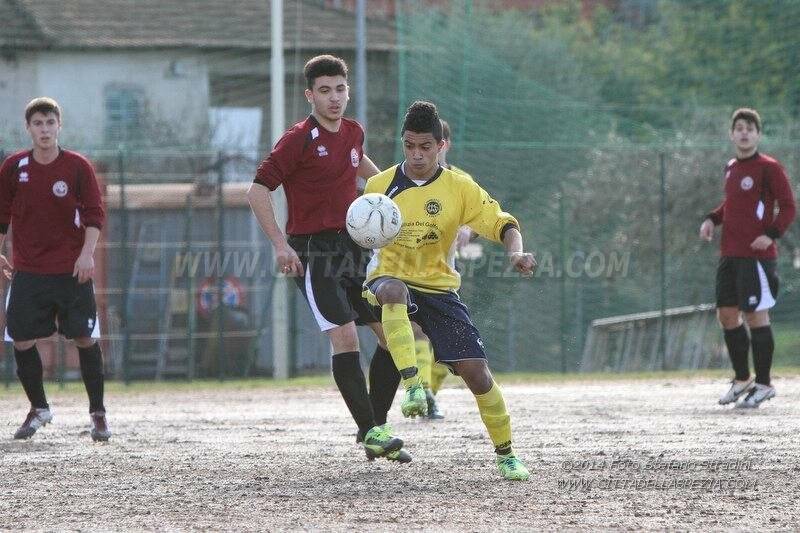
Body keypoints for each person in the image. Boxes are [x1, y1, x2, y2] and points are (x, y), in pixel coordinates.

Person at [247, 55, 409, 462]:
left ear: (347, 90)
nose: (334, 98)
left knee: (391, 336)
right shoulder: (297, 138)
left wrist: (409, 188)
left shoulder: (353, 132)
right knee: (346, 337)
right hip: (313, 253)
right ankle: (371, 429)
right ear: (310, 95)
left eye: (340, 89)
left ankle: (374, 424)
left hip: (354, 249)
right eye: (325, 90)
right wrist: (280, 244)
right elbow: (257, 191)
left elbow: (372, 179)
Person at [363, 101, 536, 480]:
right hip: (388, 277)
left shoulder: (460, 187)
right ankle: (413, 388)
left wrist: (516, 252)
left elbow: (503, 223)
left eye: (425, 146)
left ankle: (506, 454)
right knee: (392, 291)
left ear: (441, 146)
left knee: (476, 373)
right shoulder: (379, 187)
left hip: (440, 289)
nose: (417, 154)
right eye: (409, 146)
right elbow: (361, 231)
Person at [0, 97, 110, 441]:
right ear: (29, 128)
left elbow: (94, 214)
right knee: (20, 338)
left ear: (59, 125)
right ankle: (39, 408)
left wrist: (87, 255)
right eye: (38, 124)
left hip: (71, 269)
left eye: (50, 123)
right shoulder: (14, 167)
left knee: (84, 338)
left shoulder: (77, 166)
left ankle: (98, 414)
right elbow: (2, 215)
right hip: (29, 270)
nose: (44, 130)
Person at [700, 108, 796, 408]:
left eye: (749, 128)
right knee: (727, 315)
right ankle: (742, 378)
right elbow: (732, 204)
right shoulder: (731, 167)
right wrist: (711, 219)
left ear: (757, 134)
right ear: (732, 134)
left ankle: (765, 384)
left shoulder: (769, 167)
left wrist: (772, 233)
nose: (744, 133)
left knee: (756, 317)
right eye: (739, 128)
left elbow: (788, 205)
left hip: (756, 257)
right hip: (729, 254)